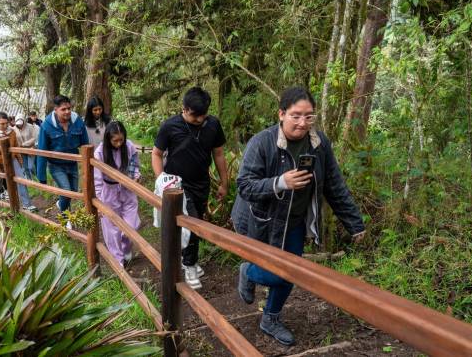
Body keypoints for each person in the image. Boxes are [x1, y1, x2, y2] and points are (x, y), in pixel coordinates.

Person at [231, 86, 366, 346]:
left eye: (309, 116)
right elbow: (244, 186)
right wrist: (280, 182)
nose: (302, 123)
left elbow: (333, 184)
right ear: (281, 114)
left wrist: (354, 224)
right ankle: (248, 272)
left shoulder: (318, 144)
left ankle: (270, 318)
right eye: (295, 115)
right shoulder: (262, 142)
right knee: (278, 273)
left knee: (290, 274)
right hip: (261, 221)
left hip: (294, 222)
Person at [152, 87, 228, 290]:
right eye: (195, 115)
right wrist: (161, 180)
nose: (200, 119)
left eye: (203, 115)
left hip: (201, 184)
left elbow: (218, 154)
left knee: (195, 223)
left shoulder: (212, 125)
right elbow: (157, 154)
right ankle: (190, 264)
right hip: (176, 186)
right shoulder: (170, 126)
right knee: (191, 223)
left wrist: (223, 182)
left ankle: (185, 258)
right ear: (184, 109)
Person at [94, 121, 141, 266]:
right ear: (108, 139)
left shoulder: (129, 146)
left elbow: (135, 165)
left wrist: (137, 176)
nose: (119, 143)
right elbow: (97, 179)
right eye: (115, 141)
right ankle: (118, 261)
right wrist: (99, 202)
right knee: (111, 229)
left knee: (132, 225)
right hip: (108, 191)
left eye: (121, 139)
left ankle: (126, 247)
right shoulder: (100, 153)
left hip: (127, 189)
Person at [36, 95, 90, 223]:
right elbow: (42, 151)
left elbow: (85, 144)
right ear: (56, 109)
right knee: (66, 191)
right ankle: (65, 219)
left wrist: (88, 165)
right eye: (63, 109)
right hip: (56, 165)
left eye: (69, 108)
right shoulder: (47, 125)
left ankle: (62, 205)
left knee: (73, 191)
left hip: (72, 164)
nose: (67, 112)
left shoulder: (77, 121)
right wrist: (41, 177)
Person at [0, 112, 34, 210]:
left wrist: (20, 162)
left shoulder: (12, 132)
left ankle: (27, 204)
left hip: (10, 159)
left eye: (6, 123)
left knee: (21, 179)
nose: (5, 125)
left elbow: (15, 147)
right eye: (2, 124)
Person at [12, 113, 39, 211]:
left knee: (31, 166)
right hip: (21, 150)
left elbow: (34, 138)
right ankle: (30, 180)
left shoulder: (30, 127)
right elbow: (14, 140)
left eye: (21, 123)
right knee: (25, 167)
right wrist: (19, 146)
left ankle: (36, 178)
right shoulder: (14, 129)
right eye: (18, 123)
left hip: (30, 148)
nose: (19, 125)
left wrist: (25, 144)